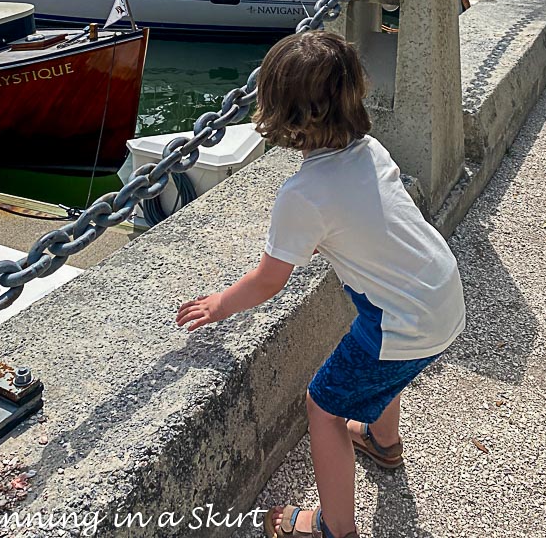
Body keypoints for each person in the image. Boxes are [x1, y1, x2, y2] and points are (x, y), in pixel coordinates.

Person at [177, 32, 466, 538]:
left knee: (324, 406)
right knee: (381, 368)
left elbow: (270, 279)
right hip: (439, 294)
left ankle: (334, 528)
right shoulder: (370, 149)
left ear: (281, 113)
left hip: (402, 321)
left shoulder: (303, 194)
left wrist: (221, 303)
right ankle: (383, 441)